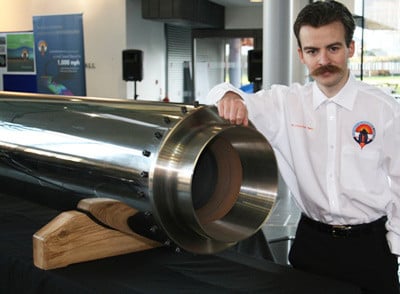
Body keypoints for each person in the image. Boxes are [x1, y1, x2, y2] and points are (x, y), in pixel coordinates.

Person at [206, 1, 400, 293]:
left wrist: (394, 244)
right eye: (312, 51)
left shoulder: (383, 108)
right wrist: (230, 95)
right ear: (301, 55)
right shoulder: (285, 103)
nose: (323, 60)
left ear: (351, 48)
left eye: (333, 48)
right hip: (312, 243)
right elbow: (218, 93)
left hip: (370, 247)